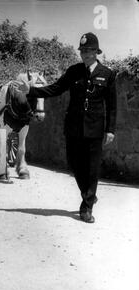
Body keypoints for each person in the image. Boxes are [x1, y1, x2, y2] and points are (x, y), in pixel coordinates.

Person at [13, 32, 117, 224]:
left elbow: (112, 105)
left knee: (92, 168)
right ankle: (89, 195)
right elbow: (55, 88)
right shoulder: (73, 71)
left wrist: (110, 129)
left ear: (96, 52)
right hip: (73, 127)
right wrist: (32, 90)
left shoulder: (107, 74)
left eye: (89, 50)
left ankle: (86, 208)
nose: (86, 54)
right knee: (74, 164)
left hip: (95, 128)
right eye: (83, 51)